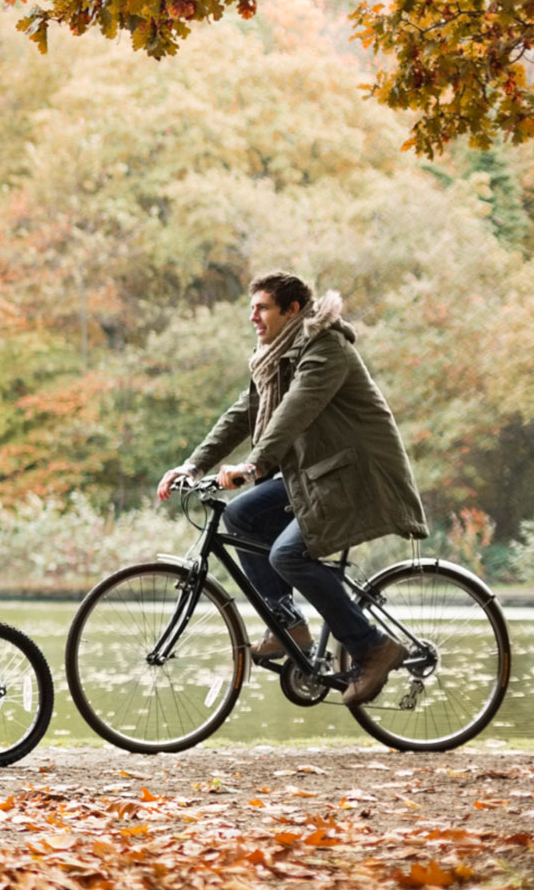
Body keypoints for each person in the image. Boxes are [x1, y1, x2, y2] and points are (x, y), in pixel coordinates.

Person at [157, 272, 429, 705]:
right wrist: (192, 464)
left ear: (293, 311)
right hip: (315, 475)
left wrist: (253, 463)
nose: (253, 317)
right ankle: (289, 625)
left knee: (287, 554)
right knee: (240, 516)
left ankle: (371, 646)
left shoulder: (325, 348)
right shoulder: (273, 358)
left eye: (262, 307)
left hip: (356, 474)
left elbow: (295, 411)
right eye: (252, 307)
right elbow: (244, 413)